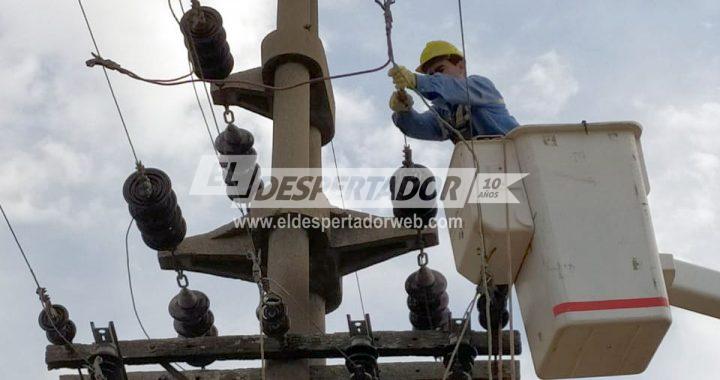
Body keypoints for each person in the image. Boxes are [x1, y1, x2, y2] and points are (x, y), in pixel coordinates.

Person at [388, 40, 519, 143]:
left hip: (519, 155)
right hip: (489, 167)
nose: (434, 77)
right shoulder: (444, 112)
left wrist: (417, 81)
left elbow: (450, 87)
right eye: (430, 75)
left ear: (461, 66)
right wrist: (403, 111)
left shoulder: (481, 86)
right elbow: (420, 126)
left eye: (440, 70)